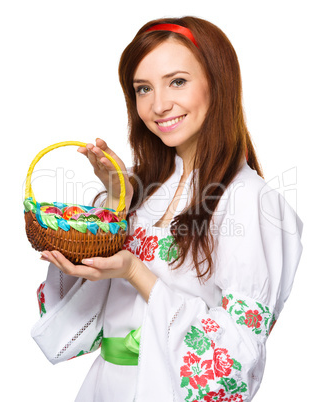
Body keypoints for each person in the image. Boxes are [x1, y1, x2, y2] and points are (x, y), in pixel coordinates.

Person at [32, 16, 303, 401]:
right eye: (143, 89)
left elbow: (235, 359)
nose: (158, 105)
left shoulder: (250, 200)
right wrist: (113, 204)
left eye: (177, 81)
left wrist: (134, 271)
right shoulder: (139, 189)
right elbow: (72, 324)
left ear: (218, 83)